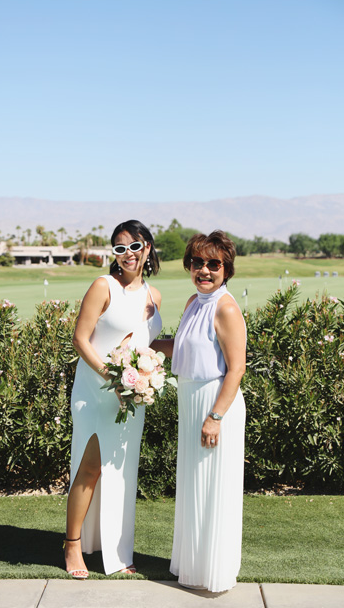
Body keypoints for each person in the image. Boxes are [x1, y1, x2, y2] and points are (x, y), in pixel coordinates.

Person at [64, 219, 162, 578]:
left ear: (147, 248)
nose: (127, 255)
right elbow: (80, 339)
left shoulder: (154, 296)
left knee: (122, 472)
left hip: (133, 396)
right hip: (96, 391)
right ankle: (72, 546)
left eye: (134, 247)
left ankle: (117, 553)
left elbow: (147, 344)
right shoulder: (103, 286)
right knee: (90, 467)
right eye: (119, 249)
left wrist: (187, 349)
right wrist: (114, 379)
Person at [152, 231, 246, 592]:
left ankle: (213, 572)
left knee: (212, 488)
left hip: (214, 405)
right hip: (190, 402)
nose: (204, 270)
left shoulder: (225, 307)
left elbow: (235, 368)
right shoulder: (195, 301)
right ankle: (191, 565)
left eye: (213, 264)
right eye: (197, 263)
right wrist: (143, 345)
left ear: (226, 269)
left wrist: (215, 417)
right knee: (194, 485)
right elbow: (183, 346)